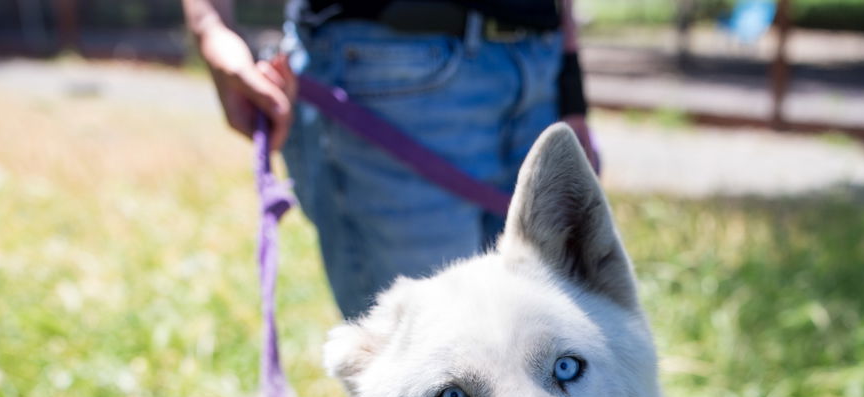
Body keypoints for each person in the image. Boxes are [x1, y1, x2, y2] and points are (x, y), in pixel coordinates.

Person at [182, 0, 599, 317]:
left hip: (538, 65)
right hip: (388, 66)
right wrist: (210, 26)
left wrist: (570, 88)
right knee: (434, 370)